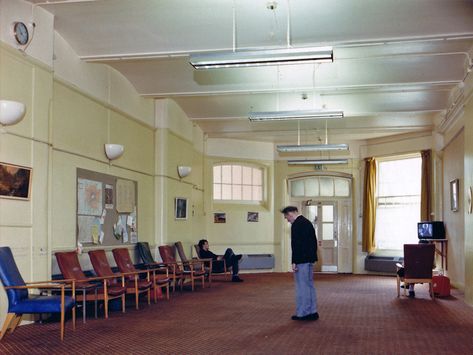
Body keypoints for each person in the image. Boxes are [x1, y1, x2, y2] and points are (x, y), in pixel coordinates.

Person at [281, 206, 319, 321]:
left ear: (290, 214)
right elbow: (313, 242)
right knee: (309, 286)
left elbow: (296, 246)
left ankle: (304, 313)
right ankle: (313, 311)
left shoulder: (297, 225)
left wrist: (294, 261)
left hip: (302, 260)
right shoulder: (307, 222)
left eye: (286, 217)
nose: (287, 219)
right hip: (308, 259)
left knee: (302, 286)